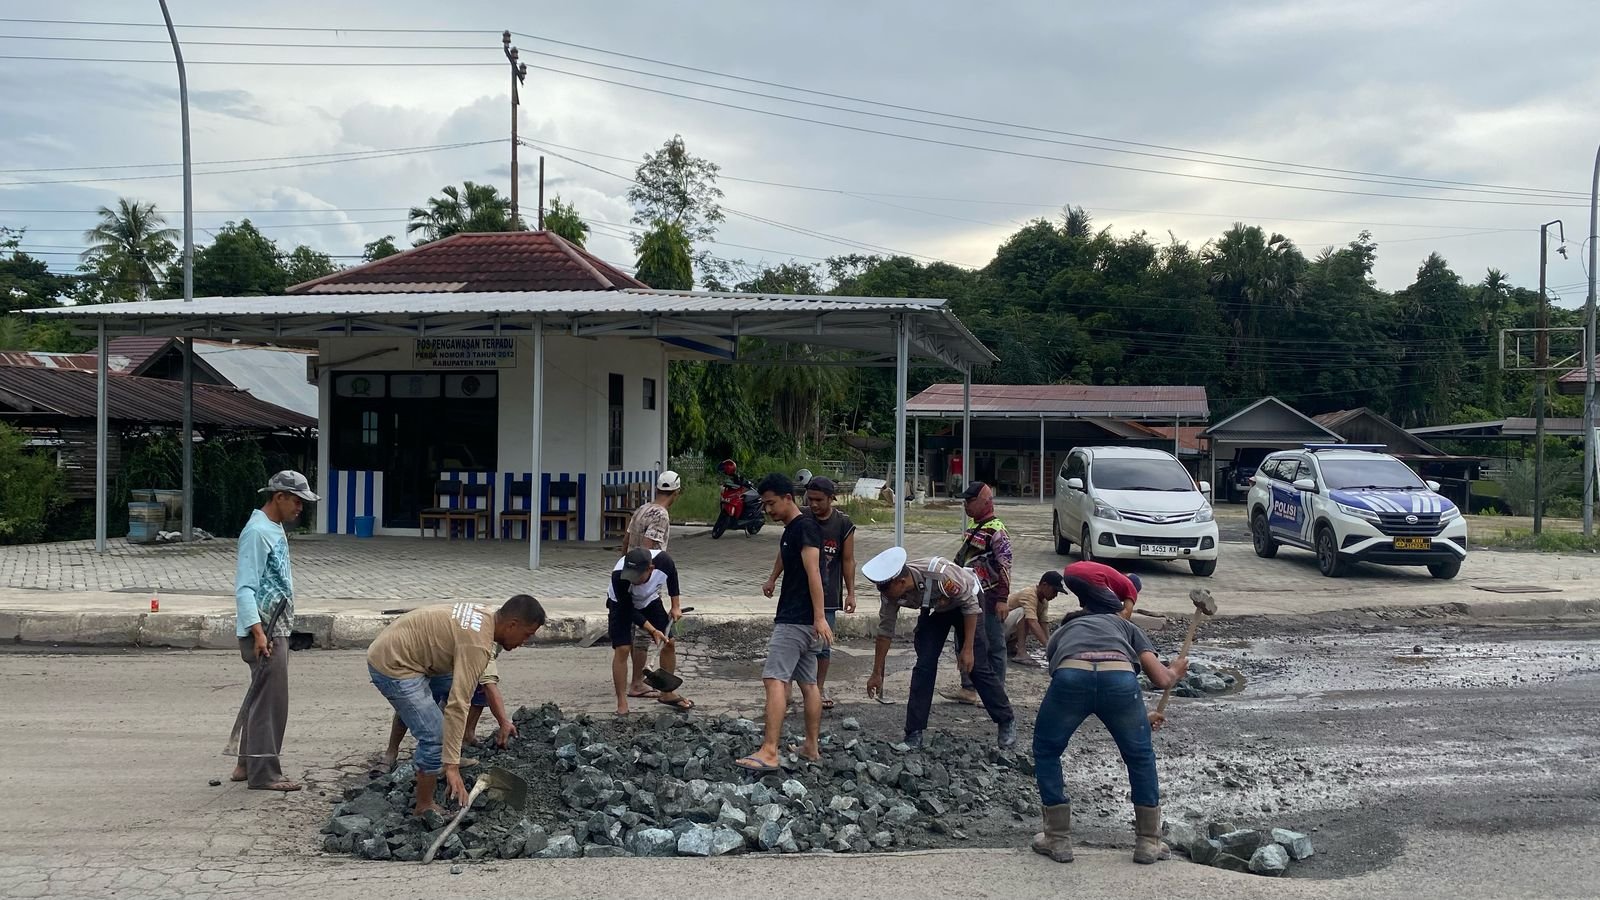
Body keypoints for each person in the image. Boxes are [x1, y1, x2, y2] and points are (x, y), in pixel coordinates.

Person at [1030, 577, 1187, 865]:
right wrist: (1176, 670)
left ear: (1084, 608)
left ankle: (1058, 838)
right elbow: (1161, 678)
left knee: (1047, 749)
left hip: (1071, 676)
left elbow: (1062, 669)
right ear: (1113, 610)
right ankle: (1148, 842)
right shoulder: (1127, 627)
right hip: (1119, 681)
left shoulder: (1067, 626)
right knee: (1140, 756)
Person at [366, 595, 546, 816]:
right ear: (512, 625)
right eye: (526, 635)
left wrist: (503, 721)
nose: (524, 642)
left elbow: (482, 683)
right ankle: (424, 805)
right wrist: (451, 766)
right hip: (393, 664)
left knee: (470, 687)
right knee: (434, 734)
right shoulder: (477, 643)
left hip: (412, 652)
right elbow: (457, 705)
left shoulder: (488, 617)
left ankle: (443, 756)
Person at [863, 547, 1018, 750]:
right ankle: (914, 732)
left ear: (901, 582)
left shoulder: (940, 574)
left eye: (884, 589)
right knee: (924, 666)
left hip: (968, 604)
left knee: (977, 667)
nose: (882, 594)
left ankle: (1006, 720)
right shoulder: (890, 593)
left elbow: (970, 606)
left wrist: (968, 648)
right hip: (937, 609)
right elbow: (885, 632)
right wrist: (876, 672)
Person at [736, 474, 833, 771]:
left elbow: (814, 572)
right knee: (809, 683)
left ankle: (769, 750)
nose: (768, 510)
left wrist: (819, 617)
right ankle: (811, 747)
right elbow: (784, 553)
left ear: (788, 498)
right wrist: (772, 578)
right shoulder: (793, 529)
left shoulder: (804, 528)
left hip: (796, 619)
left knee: (774, 679)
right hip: (806, 621)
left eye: (771, 503)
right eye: (765, 505)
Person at [228, 470, 317, 792]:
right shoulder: (257, 532)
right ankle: (265, 774)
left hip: (274, 626)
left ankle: (245, 764)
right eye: (296, 501)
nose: (300, 508)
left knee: (261, 698)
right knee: (271, 703)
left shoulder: (272, 527)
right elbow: (244, 588)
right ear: (278, 497)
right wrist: (258, 632)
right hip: (264, 630)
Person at [763, 476, 856, 709]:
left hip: (827, 597)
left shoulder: (842, 523)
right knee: (804, 661)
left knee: (821, 649)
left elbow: (846, 561)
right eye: (810, 499)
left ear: (831, 499)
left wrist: (851, 593)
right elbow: (785, 551)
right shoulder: (800, 519)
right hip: (802, 602)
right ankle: (795, 695)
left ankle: (818, 688)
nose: (813, 505)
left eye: (819, 500)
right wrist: (773, 578)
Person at [379, 651, 514, 773]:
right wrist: (503, 722)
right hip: (433, 661)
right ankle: (392, 752)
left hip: (460, 661)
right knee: (414, 702)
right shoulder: (483, 638)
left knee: (478, 688)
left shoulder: (495, 638)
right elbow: (489, 683)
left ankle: (465, 736)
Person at [943, 481, 1012, 705]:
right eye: (965, 501)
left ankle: (996, 692)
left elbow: (1005, 566)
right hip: (967, 596)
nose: (966, 505)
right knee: (963, 642)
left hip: (989, 597)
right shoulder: (975, 528)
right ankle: (968, 688)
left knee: (993, 644)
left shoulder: (997, 530)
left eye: (970, 501)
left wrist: (1002, 599)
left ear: (985, 501)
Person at [609, 547, 692, 714]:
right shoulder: (619, 575)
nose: (632, 580)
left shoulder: (664, 561)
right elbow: (628, 610)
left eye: (637, 577)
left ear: (650, 569)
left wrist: (675, 606)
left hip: (649, 600)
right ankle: (622, 703)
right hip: (622, 605)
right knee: (623, 649)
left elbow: (672, 577)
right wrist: (652, 630)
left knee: (669, 643)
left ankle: (667, 693)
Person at [622, 471, 681, 698]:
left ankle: (638, 683)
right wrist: (647, 574)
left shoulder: (642, 509)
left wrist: (624, 570)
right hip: (643, 583)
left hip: (630, 578)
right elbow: (648, 549)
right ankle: (664, 689)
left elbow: (626, 542)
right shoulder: (661, 515)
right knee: (667, 638)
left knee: (642, 636)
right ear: (676, 493)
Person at [1004, 571, 1066, 665]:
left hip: (1007, 630)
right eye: (1054, 591)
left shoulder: (1044, 600)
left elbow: (1043, 623)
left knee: (1034, 620)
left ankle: (1010, 646)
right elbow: (1032, 622)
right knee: (1026, 614)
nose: (1055, 595)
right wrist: (1048, 647)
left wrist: (1049, 646)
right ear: (1045, 585)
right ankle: (1021, 652)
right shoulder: (1029, 594)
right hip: (998, 629)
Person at [1062, 561, 1141, 619]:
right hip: (1090, 578)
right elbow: (1126, 614)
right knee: (1118, 610)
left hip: (1068, 574)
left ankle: (1073, 621)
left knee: (1091, 607)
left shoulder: (1116, 579)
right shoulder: (1130, 586)